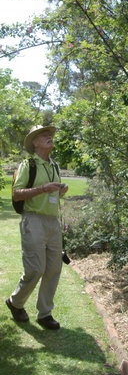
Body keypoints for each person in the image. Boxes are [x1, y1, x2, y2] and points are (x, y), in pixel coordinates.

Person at [5, 125, 68, 330]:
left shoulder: (55, 166)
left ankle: (45, 313)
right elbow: (17, 194)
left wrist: (60, 191)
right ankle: (15, 302)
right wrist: (43, 188)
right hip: (33, 221)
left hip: (52, 222)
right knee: (35, 269)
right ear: (35, 142)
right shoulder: (28, 164)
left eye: (50, 134)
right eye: (44, 135)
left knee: (53, 268)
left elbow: (53, 196)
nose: (49, 136)